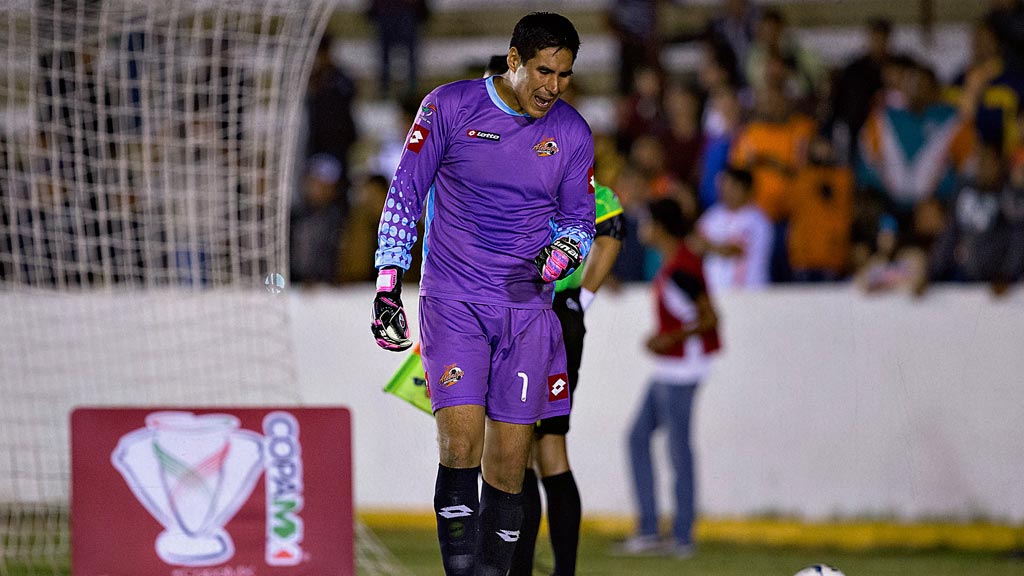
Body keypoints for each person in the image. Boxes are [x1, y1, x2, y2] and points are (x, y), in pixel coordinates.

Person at [369, 13, 595, 576]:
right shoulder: (448, 106)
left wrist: (563, 254)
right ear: (514, 59)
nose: (553, 86)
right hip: (455, 304)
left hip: (527, 313)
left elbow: (578, 223)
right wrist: (387, 285)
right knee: (460, 448)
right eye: (545, 71)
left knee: (510, 471)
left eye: (565, 75)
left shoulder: (572, 132)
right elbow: (404, 195)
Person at [510, 181, 624, 576]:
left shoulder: (517, 172)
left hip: (522, 313)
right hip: (562, 318)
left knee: (517, 450)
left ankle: (519, 570)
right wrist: (580, 299)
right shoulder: (586, 185)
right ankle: (564, 572)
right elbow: (613, 228)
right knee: (552, 448)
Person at [614, 197, 721, 558]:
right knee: (638, 438)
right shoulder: (675, 262)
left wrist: (668, 339)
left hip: (683, 370)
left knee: (678, 450)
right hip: (670, 368)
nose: (642, 227)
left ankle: (682, 534)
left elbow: (710, 318)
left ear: (660, 226)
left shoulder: (683, 267)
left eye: (647, 221)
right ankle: (650, 528)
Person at [695, 166, 773, 291]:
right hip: (716, 291)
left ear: (745, 189)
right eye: (724, 186)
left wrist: (708, 245)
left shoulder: (758, 220)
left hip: (750, 292)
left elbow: (734, 250)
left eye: (732, 186)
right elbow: (694, 243)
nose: (725, 191)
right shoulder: (712, 216)